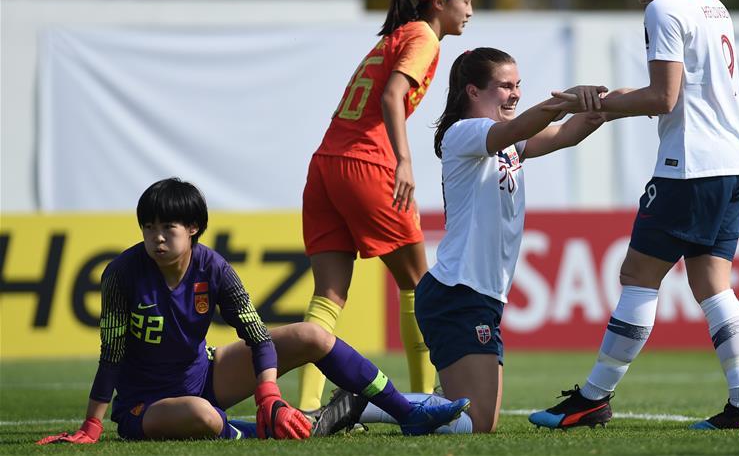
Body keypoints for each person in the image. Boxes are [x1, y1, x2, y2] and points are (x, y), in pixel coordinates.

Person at [529, 0, 739, 431]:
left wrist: (595, 101)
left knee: (637, 275)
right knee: (713, 285)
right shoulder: (710, 0)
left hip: (692, 168)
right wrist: (607, 100)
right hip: (737, 162)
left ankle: (593, 398)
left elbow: (663, 97)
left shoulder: (664, 8)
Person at [36, 178, 469, 444]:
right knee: (203, 416)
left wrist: (269, 395)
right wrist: (92, 427)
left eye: (167, 228)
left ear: (194, 228)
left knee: (312, 336)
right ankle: (269, 429)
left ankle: (408, 413)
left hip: (206, 375)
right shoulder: (120, 274)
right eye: (148, 228)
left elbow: (258, 336)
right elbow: (111, 355)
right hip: (147, 406)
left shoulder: (213, 267)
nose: (157, 238)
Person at [297, 0, 474, 415]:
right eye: (466, 1)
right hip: (366, 164)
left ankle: (306, 408)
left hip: (325, 164)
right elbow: (392, 94)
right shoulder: (423, 36)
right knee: (418, 285)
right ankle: (424, 400)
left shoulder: (395, 35)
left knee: (328, 296)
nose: (471, 11)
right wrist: (404, 162)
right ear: (440, 2)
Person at [406, 47, 606, 433]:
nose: (515, 94)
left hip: (480, 295)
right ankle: (368, 402)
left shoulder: (507, 139)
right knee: (477, 423)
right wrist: (563, 101)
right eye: (505, 86)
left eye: (518, 85)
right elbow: (516, 130)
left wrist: (606, 103)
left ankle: (393, 404)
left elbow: (569, 133)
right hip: (457, 293)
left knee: (480, 421)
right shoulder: (465, 132)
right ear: (473, 92)